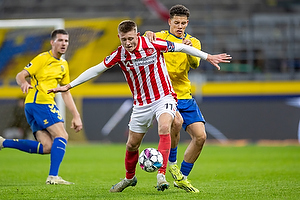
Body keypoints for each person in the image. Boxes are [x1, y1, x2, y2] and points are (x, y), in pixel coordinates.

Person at [48, 20, 230, 192]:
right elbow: (97, 68)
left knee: (165, 126)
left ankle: (161, 176)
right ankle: (129, 178)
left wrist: (208, 57)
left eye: (131, 38)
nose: (128, 43)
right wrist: (69, 85)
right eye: (124, 39)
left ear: (137, 34)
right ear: (119, 37)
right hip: (141, 104)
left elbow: (181, 47)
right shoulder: (119, 53)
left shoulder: (152, 44)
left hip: (163, 97)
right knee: (132, 145)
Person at [145, 4, 228, 193]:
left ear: (187, 23)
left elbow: (195, 64)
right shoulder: (159, 37)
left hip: (185, 95)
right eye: (176, 23)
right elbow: (141, 42)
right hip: (165, 95)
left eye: (183, 23)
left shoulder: (193, 42)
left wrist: (188, 50)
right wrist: (147, 33)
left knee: (200, 137)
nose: (180, 26)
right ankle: (172, 163)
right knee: (176, 123)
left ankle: (181, 177)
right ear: (169, 22)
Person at [0, 29, 83, 185]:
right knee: (62, 136)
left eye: (66, 41)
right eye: (60, 40)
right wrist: (24, 82)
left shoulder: (64, 65)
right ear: (52, 42)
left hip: (35, 105)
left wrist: (76, 115)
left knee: (47, 147)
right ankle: (53, 177)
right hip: (40, 102)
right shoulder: (42, 58)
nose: (64, 43)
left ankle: (3, 143)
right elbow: (20, 75)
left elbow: (65, 92)